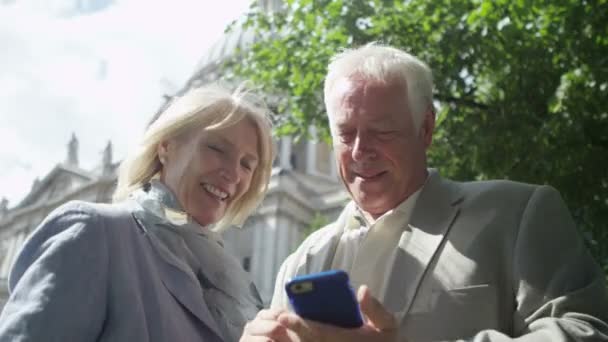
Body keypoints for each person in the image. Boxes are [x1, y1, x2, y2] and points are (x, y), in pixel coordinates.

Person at [241, 43, 608, 341]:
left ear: (426, 129)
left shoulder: (519, 213)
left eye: (381, 132)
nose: (359, 151)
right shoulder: (301, 260)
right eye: (346, 133)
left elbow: (585, 330)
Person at [0, 84, 274, 342]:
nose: (234, 173)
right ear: (166, 147)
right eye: (216, 148)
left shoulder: (228, 279)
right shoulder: (94, 232)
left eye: (247, 165)